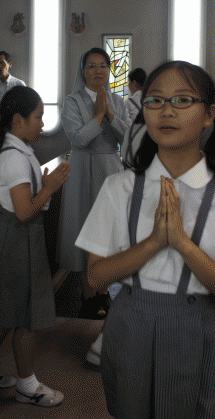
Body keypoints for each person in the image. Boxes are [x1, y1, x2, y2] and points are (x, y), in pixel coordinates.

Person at [75, 61, 215, 418]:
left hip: (199, 327)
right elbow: (96, 278)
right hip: (132, 323)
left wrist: (183, 244)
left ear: (209, 115)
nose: (167, 111)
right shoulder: (119, 188)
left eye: (182, 100)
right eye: (156, 101)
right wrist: (153, 242)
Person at [0, 86, 70, 407]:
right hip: (16, 236)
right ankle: (27, 385)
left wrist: (44, 185)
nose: (42, 124)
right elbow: (24, 212)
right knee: (25, 315)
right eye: (39, 117)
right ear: (19, 120)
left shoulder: (19, 150)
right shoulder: (14, 158)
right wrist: (49, 188)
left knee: (6, 309)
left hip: (13, 234)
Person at [59, 47, 129, 319]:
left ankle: (104, 290)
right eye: (91, 66)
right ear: (83, 70)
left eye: (103, 65)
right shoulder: (72, 101)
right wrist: (99, 116)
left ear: (109, 70)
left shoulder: (118, 101)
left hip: (110, 169)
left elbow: (128, 138)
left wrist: (109, 114)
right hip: (82, 170)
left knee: (109, 232)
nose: (98, 71)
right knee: (85, 230)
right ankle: (88, 295)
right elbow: (78, 139)